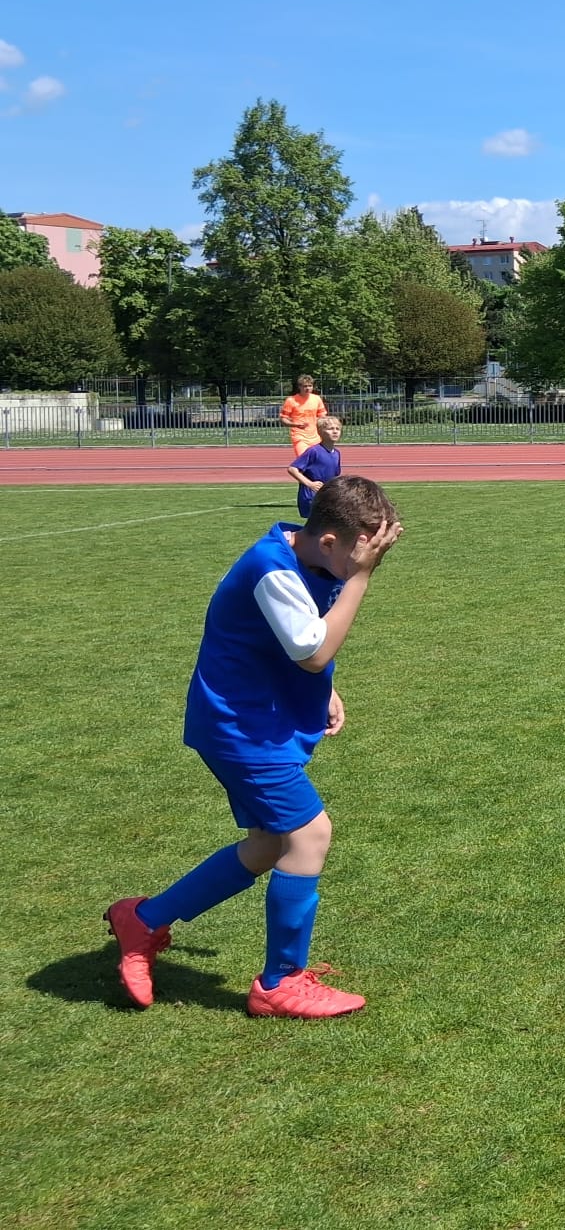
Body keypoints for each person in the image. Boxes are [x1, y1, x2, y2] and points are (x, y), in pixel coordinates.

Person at [104, 476, 403, 1018]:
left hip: (256, 719)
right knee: (310, 835)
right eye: (364, 554)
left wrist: (325, 688)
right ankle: (280, 983)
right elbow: (312, 651)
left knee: (269, 845)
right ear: (329, 542)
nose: (370, 563)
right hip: (241, 729)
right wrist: (361, 578)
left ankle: (142, 920)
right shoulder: (273, 569)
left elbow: (292, 639)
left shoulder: (315, 559)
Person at [286, 414, 344, 520]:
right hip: (312, 496)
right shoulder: (314, 451)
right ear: (320, 432)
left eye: (337, 429)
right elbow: (292, 469)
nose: (335, 431)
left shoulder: (337, 453)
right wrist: (310, 484)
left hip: (327, 496)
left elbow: (335, 476)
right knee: (320, 525)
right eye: (331, 429)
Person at [279, 375, 326, 459]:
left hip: (316, 437)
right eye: (305, 386)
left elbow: (322, 416)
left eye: (310, 386)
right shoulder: (291, 400)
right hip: (299, 436)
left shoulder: (317, 399)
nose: (307, 388)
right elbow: (283, 419)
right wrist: (295, 425)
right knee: (304, 459)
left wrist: (320, 423)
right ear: (299, 387)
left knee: (317, 461)